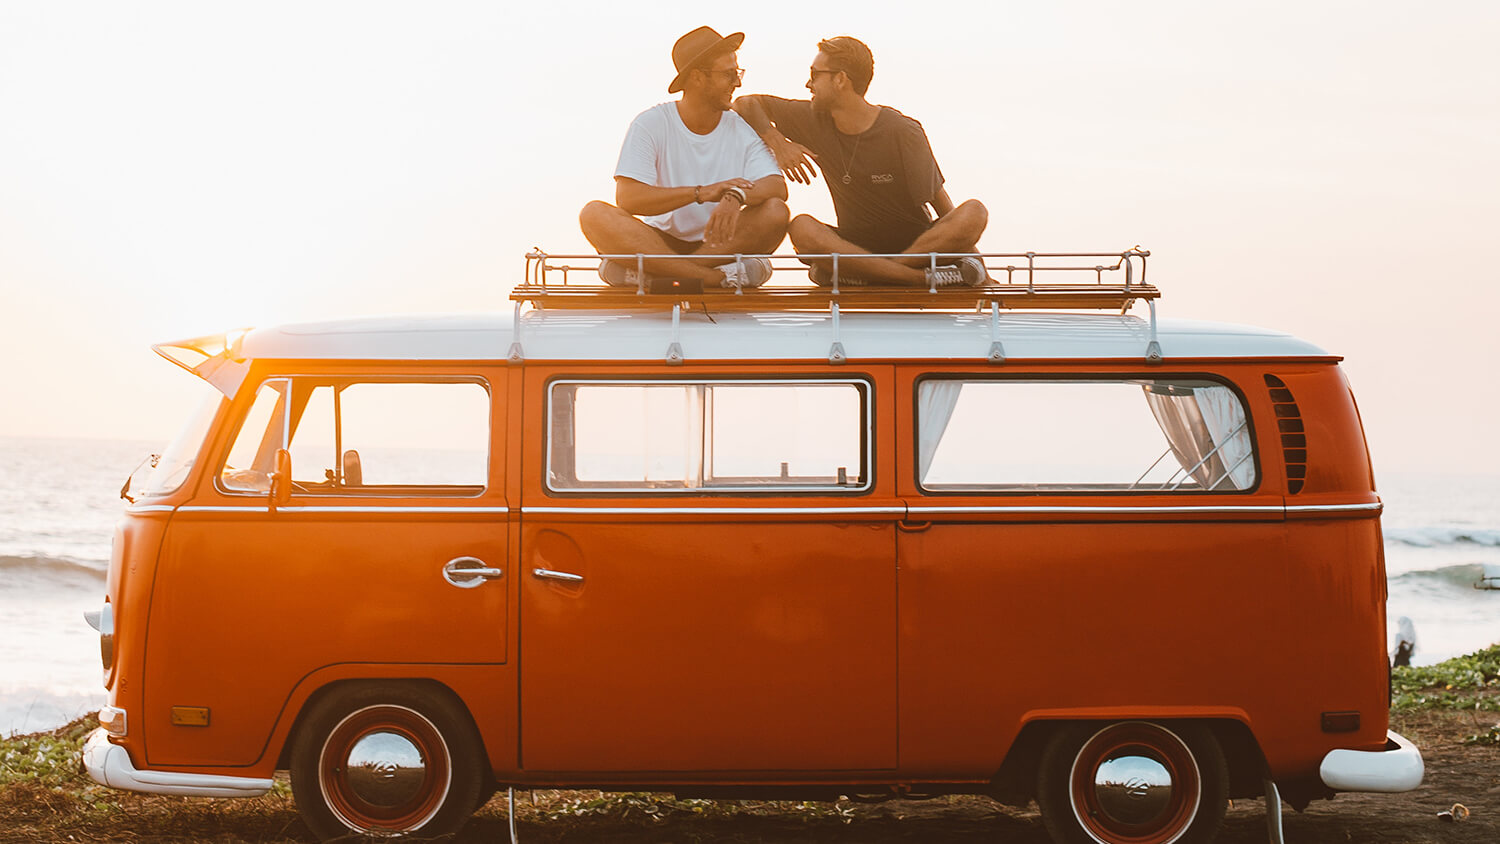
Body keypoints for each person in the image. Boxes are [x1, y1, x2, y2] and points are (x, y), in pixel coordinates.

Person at [733, 36, 989, 287]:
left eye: (815, 75)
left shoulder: (902, 130)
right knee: (801, 227)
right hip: (854, 246)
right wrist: (779, 144)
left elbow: (941, 204)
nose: (808, 84)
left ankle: (874, 274)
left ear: (840, 79)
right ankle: (915, 279)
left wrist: (978, 263)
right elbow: (746, 103)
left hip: (917, 246)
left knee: (974, 212)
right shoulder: (811, 118)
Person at [580, 26, 790, 290]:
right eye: (729, 74)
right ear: (697, 78)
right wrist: (701, 193)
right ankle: (714, 278)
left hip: (721, 243)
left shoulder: (743, 127)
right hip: (657, 242)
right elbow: (628, 199)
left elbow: (776, 187)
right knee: (594, 214)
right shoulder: (651, 123)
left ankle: (666, 274)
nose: (737, 82)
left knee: (775, 212)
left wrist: (736, 195)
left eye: (738, 73)